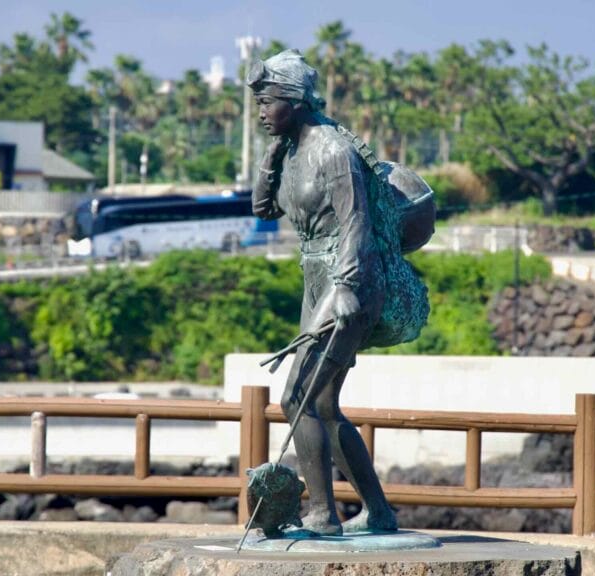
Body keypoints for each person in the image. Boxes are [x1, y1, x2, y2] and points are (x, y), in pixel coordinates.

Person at [249, 49, 397, 535]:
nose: (261, 112)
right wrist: (272, 156)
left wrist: (348, 288)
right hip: (316, 278)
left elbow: (357, 220)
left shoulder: (333, 149)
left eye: (267, 101)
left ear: (294, 99)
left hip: (348, 279)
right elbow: (264, 210)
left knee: (298, 396)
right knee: (324, 404)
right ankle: (378, 511)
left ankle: (322, 514)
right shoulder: (291, 150)